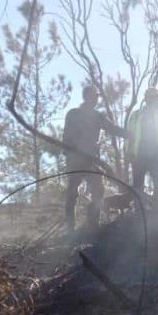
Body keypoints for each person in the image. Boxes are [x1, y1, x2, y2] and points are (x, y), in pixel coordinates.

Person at [62, 85, 124, 232]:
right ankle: (70, 229)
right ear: (86, 97)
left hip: (90, 160)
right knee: (72, 193)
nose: (96, 99)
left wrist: (129, 134)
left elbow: (112, 129)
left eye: (97, 97)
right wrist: (70, 155)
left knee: (98, 190)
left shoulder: (97, 116)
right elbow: (66, 137)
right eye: (94, 96)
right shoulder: (73, 114)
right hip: (76, 160)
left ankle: (92, 225)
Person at [127, 87, 158, 205]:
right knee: (137, 185)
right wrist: (128, 152)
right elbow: (129, 136)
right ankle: (139, 212)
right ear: (147, 99)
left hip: (157, 155)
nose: (155, 101)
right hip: (139, 155)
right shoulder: (136, 115)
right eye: (153, 98)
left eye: (156, 98)